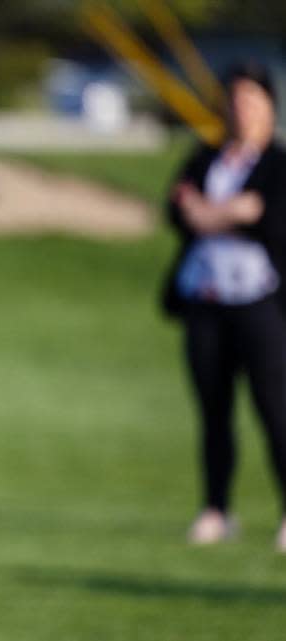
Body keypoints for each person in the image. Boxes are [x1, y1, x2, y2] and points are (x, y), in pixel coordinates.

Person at [162, 61, 286, 552]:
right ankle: (216, 508)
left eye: (252, 99)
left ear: (269, 106)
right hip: (206, 300)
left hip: (260, 303)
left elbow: (271, 218)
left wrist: (216, 213)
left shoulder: (277, 164)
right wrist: (231, 211)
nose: (241, 109)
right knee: (214, 412)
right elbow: (179, 209)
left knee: (275, 410)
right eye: (234, 99)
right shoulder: (207, 156)